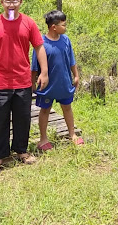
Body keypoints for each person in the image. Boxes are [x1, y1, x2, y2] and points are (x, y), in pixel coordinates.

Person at [0, 0, 49, 173]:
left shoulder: (29, 23)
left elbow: (39, 47)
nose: (11, 5)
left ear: (20, 2)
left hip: (23, 80)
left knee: (22, 118)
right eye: (7, 1)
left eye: (14, 1)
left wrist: (44, 72)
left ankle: (21, 151)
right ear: (2, 2)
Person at [33, 10, 84, 151]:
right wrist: (32, 83)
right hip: (47, 85)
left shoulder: (66, 40)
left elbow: (71, 59)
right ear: (53, 27)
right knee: (45, 110)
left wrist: (76, 75)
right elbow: (34, 66)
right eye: (63, 25)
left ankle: (72, 134)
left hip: (64, 82)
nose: (65, 27)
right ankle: (43, 139)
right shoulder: (41, 43)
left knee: (67, 107)